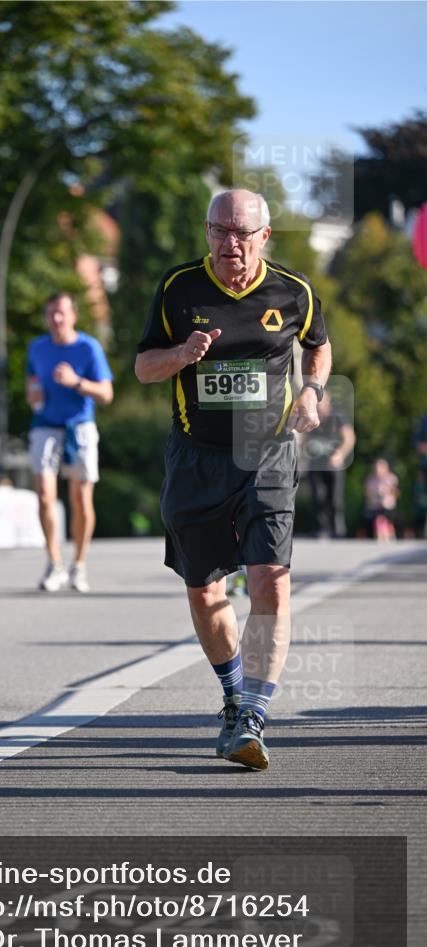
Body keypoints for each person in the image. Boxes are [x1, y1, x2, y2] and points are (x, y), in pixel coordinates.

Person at [136, 188, 332, 771]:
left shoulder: (293, 292)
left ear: (263, 237)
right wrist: (182, 354)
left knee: (271, 581)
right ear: (206, 233)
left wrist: (313, 393)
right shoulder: (179, 288)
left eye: (242, 233)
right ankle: (230, 692)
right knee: (205, 589)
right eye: (219, 231)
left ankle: (252, 714)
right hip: (196, 457)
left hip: (266, 455)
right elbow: (145, 368)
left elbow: (318, 349)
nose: (230, 244)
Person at [26, 292, 113, 592]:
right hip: (45, 426)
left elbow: (106, 394)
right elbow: (32, 385)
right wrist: (33, 396)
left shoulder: (89, 347)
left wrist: (77, 382)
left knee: (80, 499)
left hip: (80, 427)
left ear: (73, 315)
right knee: (44, 495)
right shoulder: (37, 348)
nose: (57, 319)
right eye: (51, 313)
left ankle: (79, 565)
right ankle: (54, 563)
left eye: (62, 313)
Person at [303, 390, 356, 538]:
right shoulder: (311, 416)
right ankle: (320, 528)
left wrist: (339, 454)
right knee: (317, 496)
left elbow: (349, 438)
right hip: (314, 463)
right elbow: (304, 438)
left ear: (328, 401)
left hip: (334, 463)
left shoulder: (338, 416)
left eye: (322, 401)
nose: (319, 405)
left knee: (335, 499)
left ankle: (337, 528)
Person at [364, 458, 400, 539]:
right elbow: (368, 494)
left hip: (388, 506)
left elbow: (396, 492)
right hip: (375, 506)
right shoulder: (371, 479)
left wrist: (387, 491)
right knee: (378, 521)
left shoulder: (391, 478)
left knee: (388, 523)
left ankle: (390, 536)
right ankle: (380, 537)